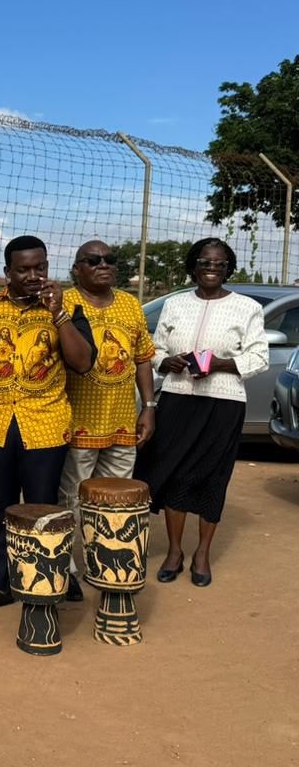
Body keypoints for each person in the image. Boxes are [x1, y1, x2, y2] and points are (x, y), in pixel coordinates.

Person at [0, 235, 96, 613]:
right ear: (7, 273)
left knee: (44, 508)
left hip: (46, 425)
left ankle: (48, 582)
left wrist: (59, 314)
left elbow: (83, 363)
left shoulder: (70, 310)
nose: (33, 275)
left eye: (40, 268)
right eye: (24, 269)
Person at [134, 238, 268, 587]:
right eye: (205, 263)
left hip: (223, 402)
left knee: (213, 477)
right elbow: (155, 348)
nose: (212, 269)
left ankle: (202, 553)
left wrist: (222, 364)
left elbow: (259, 356)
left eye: (219, 264)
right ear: (193, 266)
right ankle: (175, 551)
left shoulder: (247, 307)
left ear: (228, 268)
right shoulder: (176, 305)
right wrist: (166, 360)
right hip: (178, 398)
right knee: (175, 473)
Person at [57, 240, 157, 597]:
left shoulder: (131, 305)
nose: (103, 265)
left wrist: (148, 406)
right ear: (77, 268)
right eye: (93, 260)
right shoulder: (65, 303)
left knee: (115, 502)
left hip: (121, 422)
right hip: (77, 421)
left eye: (109, 260)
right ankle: (67, 570)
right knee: (73, 498)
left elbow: (142, 358)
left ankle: (104, 564)